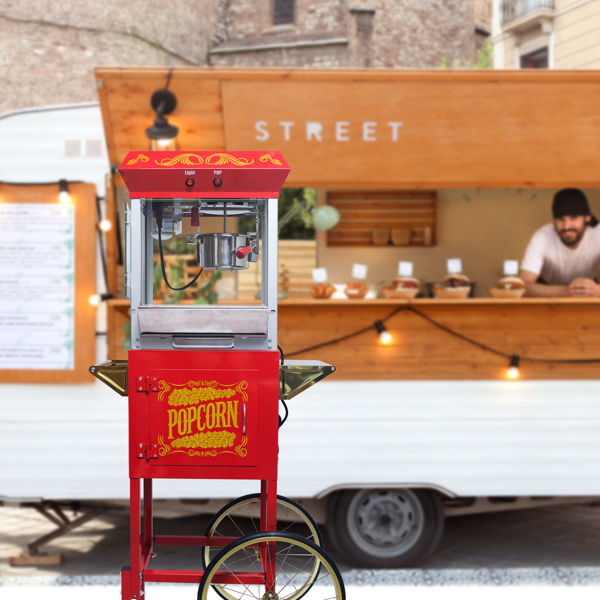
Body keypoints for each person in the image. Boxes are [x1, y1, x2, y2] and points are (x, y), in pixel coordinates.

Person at [520, 188, 600, 297]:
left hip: (589, 289)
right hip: (547, 290)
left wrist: (597, 291)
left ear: (587, 218)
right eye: (560, 219)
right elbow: (523, 287)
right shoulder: (542, 237)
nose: (567, 226)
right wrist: (570, 292)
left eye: (574, 217)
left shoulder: (597, 234)